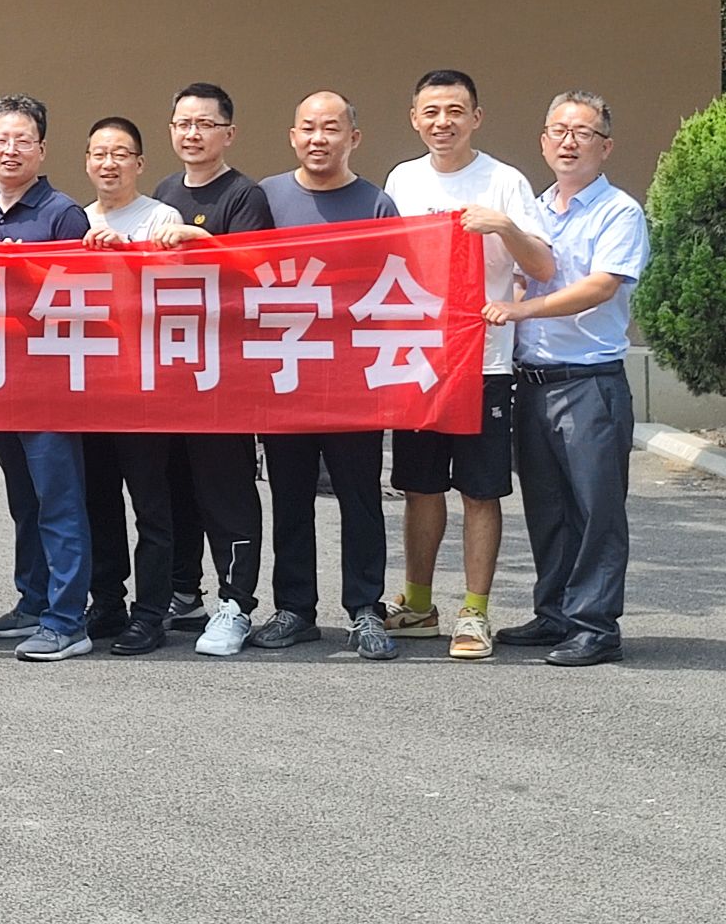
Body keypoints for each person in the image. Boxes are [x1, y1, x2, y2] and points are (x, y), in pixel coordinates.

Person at [383, 70, 554, 660]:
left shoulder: (505, 181)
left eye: (455, 111)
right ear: (415, 118)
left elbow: (544, 266)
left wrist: (502, 225)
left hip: (486, 361)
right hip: (419, 361)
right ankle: (417, 603)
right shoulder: (402, 179)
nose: (443, 122)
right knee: (419, 487)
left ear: (476, 118)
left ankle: (475, 612)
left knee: (481, 491)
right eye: (431, 111)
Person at [486, 92, 649, 667]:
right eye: (558, 130)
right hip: (531, 381)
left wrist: (523, 310)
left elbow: (601, 286)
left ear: (606, 147)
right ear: (543, 142)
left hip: (589, 382)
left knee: (595, 508)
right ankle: (554, 612)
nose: (569, 141)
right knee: (547, 506)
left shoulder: (619, 212)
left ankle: (595, 626)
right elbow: (518, 274)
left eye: (583, 132)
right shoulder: (534, 209)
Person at [253, 91, 399, 662]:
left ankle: (366, 608)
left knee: (360, 499)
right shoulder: (266, 197)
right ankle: (295, 609)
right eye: (308, 128)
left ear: (353, 138)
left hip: (353, 383)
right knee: (289, 498)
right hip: (284, 374)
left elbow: (396, 288)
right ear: (293, 136)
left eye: (331, 128)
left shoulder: (376, 203)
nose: (319, 139)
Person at [151, 82, 273, 657]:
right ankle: (185, 593)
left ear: (229, 132)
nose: (192, 134)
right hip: (170, 369)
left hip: (224, 374)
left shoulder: (245, 195)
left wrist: (199, 238)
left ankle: (236, 603)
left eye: (204, 124)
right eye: (183, 124)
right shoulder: (163, 192)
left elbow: (254, 271)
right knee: (175, 490)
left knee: (225, 493)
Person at [0, 95, 94, 662]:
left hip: (50, 385)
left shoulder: (64, 214)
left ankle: (68, 620)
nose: (11, 149)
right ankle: (33, 600)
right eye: (2, 140)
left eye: (23, 140)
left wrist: (31, 274)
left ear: (41, 150)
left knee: (59, 503)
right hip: (2, 383)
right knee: (24, 501)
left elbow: (83, 296)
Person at [79, 116, 181, 656]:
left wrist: (125, 254)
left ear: (139, 164)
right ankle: (108, 602)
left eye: (121, 154)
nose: (109, 163)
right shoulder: (78, 220)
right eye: (100, 154)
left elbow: (174, 289)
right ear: (87, 163)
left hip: (145, 386)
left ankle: (151, 612)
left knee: (151, 506)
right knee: (98, 502)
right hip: (91, 384)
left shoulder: (161, 217)